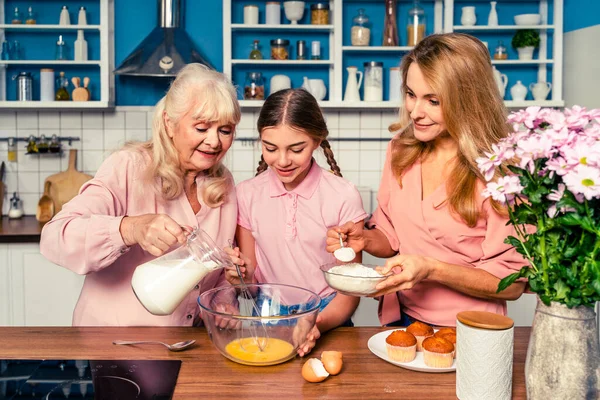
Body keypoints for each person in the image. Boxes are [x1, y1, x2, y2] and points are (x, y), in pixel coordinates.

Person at [326, 33, 527, 327]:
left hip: (471, 329)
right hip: (403, 319)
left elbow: (512, 285)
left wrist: (431, 269)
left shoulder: (502, 170)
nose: (415, 112)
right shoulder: (401, 150)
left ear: (468, 100)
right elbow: (391, 235)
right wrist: (365, 239)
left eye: (432, 100)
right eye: (410, 94)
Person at [40, 63, 241, 326]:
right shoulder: (128, 166)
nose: (215, 142)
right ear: (170, 124)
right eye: (202, 128)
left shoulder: (222, 185)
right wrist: (130, 228)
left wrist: (223, 304)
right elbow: (56, 237)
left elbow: (216, 278)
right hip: (110, 345)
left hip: (182, 347)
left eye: (224, 131)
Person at [226, 89, 367, 355]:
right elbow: (250, 289)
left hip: (328, 318)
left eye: (296, 149)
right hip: (268, 318)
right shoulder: (246, 194)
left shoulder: (342, 195)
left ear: (317, 140)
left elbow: (349, 292)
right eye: (270, 148)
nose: (282, 161)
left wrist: (315, 322)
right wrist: (239, 279)